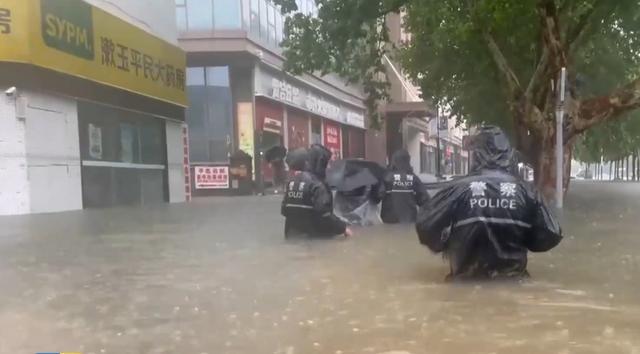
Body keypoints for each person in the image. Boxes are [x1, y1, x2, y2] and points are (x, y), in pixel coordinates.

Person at [415, 126, 562, 280]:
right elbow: (551, 233)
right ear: (508, 154)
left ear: (476, 154)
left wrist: (445, 243)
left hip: (464, 285)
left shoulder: (458, 188)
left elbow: (425, 224)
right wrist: (526, 238)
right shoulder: (527, 192)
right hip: (514, 284)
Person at [281, 144, 353, 239]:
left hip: (292, 236)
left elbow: (284, 210)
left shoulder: (292, 182)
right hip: (314, 240)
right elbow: (325, 215)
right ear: (320, 163)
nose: (329, 167)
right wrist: (343, 228)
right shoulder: (318, 185)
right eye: (327, 163)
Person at [375, 149, 429, 224]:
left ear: (394, 161)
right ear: (408, 161)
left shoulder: (387, 177)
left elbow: (378, 196)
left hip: (389, 221)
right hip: (410, 221)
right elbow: (425, 200)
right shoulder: (414, 178)